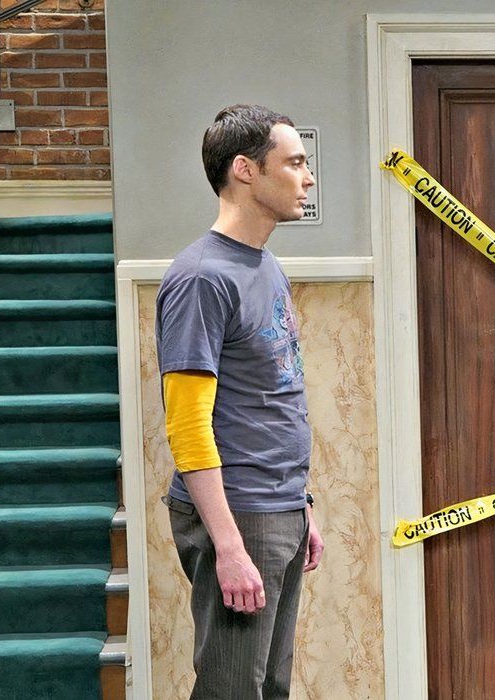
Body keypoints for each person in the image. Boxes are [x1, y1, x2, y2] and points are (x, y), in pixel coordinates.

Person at [156, 104, 323, 699]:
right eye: (295, 163)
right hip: (240, 515)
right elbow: (187, 425)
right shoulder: (202, 277)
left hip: (279, 507)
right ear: (246, 170)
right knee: (233, 690)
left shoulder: (266, 264)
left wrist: (301, 503)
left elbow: (272, 395)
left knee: (269, 686)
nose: (307, 177)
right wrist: (228, 543)